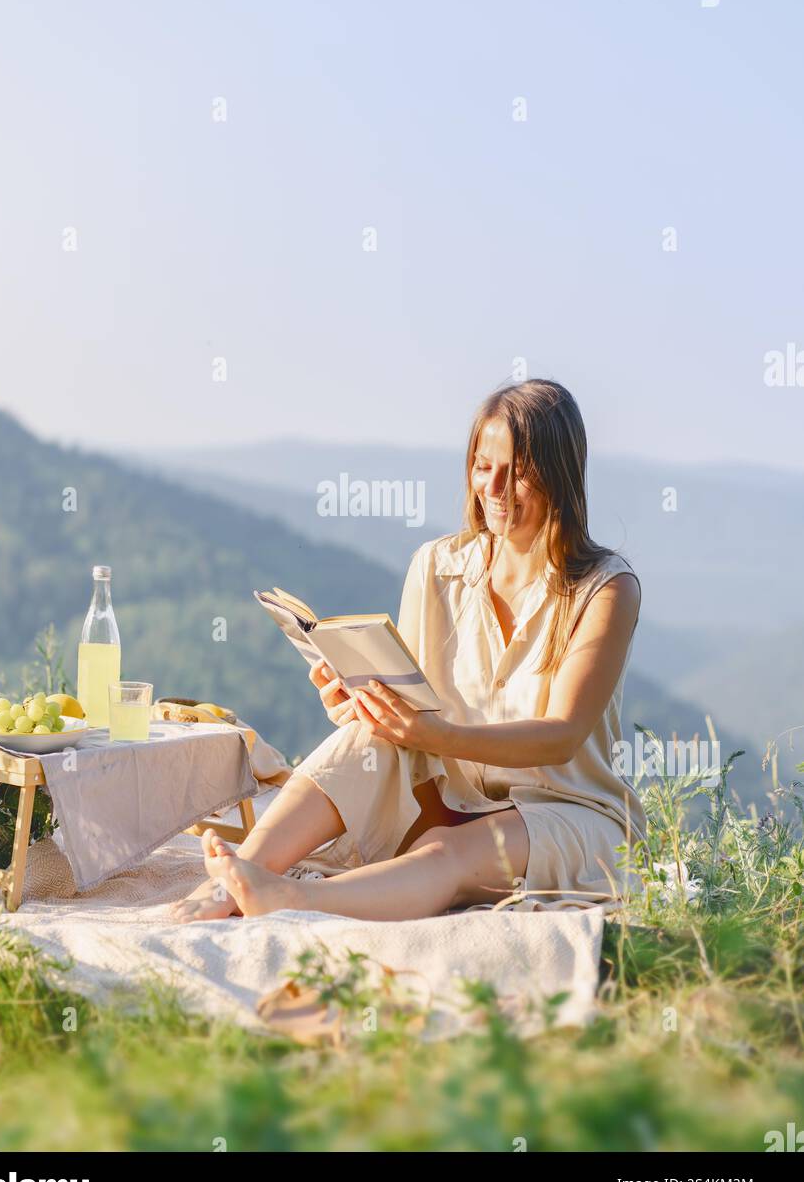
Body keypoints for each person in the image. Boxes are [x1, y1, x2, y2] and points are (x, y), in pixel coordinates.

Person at [171, 378, 647, 923]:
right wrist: (362, 704)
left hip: (565, 811)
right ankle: (236, 880)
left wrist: (437, 736)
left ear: (559, 473)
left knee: (444, 852)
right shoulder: (437, 565)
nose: (492, 486)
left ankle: (293, 899)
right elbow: (415, 699)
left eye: (516, 471)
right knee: (363, 735)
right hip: (455, 792)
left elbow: (561, 735)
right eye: (481, 465)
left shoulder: (605, 588)